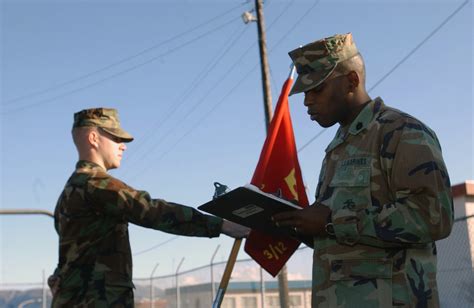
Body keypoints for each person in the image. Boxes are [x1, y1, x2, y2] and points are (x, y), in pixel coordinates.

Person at [273, 33, 453, 307]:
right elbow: (349, 238)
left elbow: (434, 216)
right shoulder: (338, 147)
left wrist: (333, 222)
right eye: (305, 92)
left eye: (317, 89)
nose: (307, 101)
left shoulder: (401, 132)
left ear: (351, 81)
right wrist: (305, 225)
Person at [48, 107, 249, 307]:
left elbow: (73, 252)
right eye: (116, 138)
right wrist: (221, 225)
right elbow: (152, 211)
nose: (123, 146)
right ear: (93, 138)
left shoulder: (69, 191)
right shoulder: (95, 185)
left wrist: (61, 277)